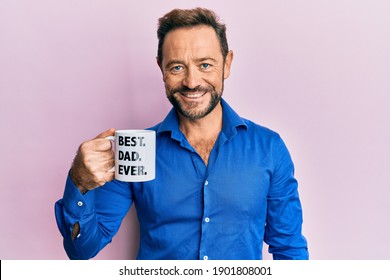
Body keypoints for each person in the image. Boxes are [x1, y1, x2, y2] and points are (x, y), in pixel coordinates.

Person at [55, 7, 308, 260]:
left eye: (205, 65)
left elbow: (289, 249)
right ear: (161, 68)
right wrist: (80, 183)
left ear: (227, 64)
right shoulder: (135, 151)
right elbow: (82, 250)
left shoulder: (268, 148)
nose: (191, 81)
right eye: (177, 67)